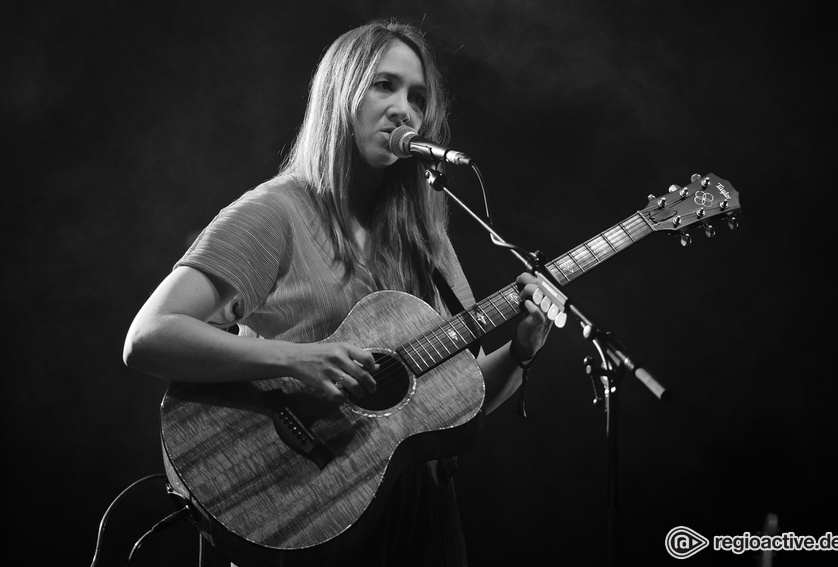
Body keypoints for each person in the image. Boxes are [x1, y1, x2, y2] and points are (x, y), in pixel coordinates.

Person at [123, 18, 552, 567]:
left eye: (418, 98)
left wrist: (520, 351)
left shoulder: (425, 236)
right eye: (384, 85)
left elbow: (456, 404)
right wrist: (298, 359)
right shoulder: (274, 212)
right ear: (340, 93)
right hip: (305, 506)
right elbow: (148, 338)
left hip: (423, 518)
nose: (405, 110)